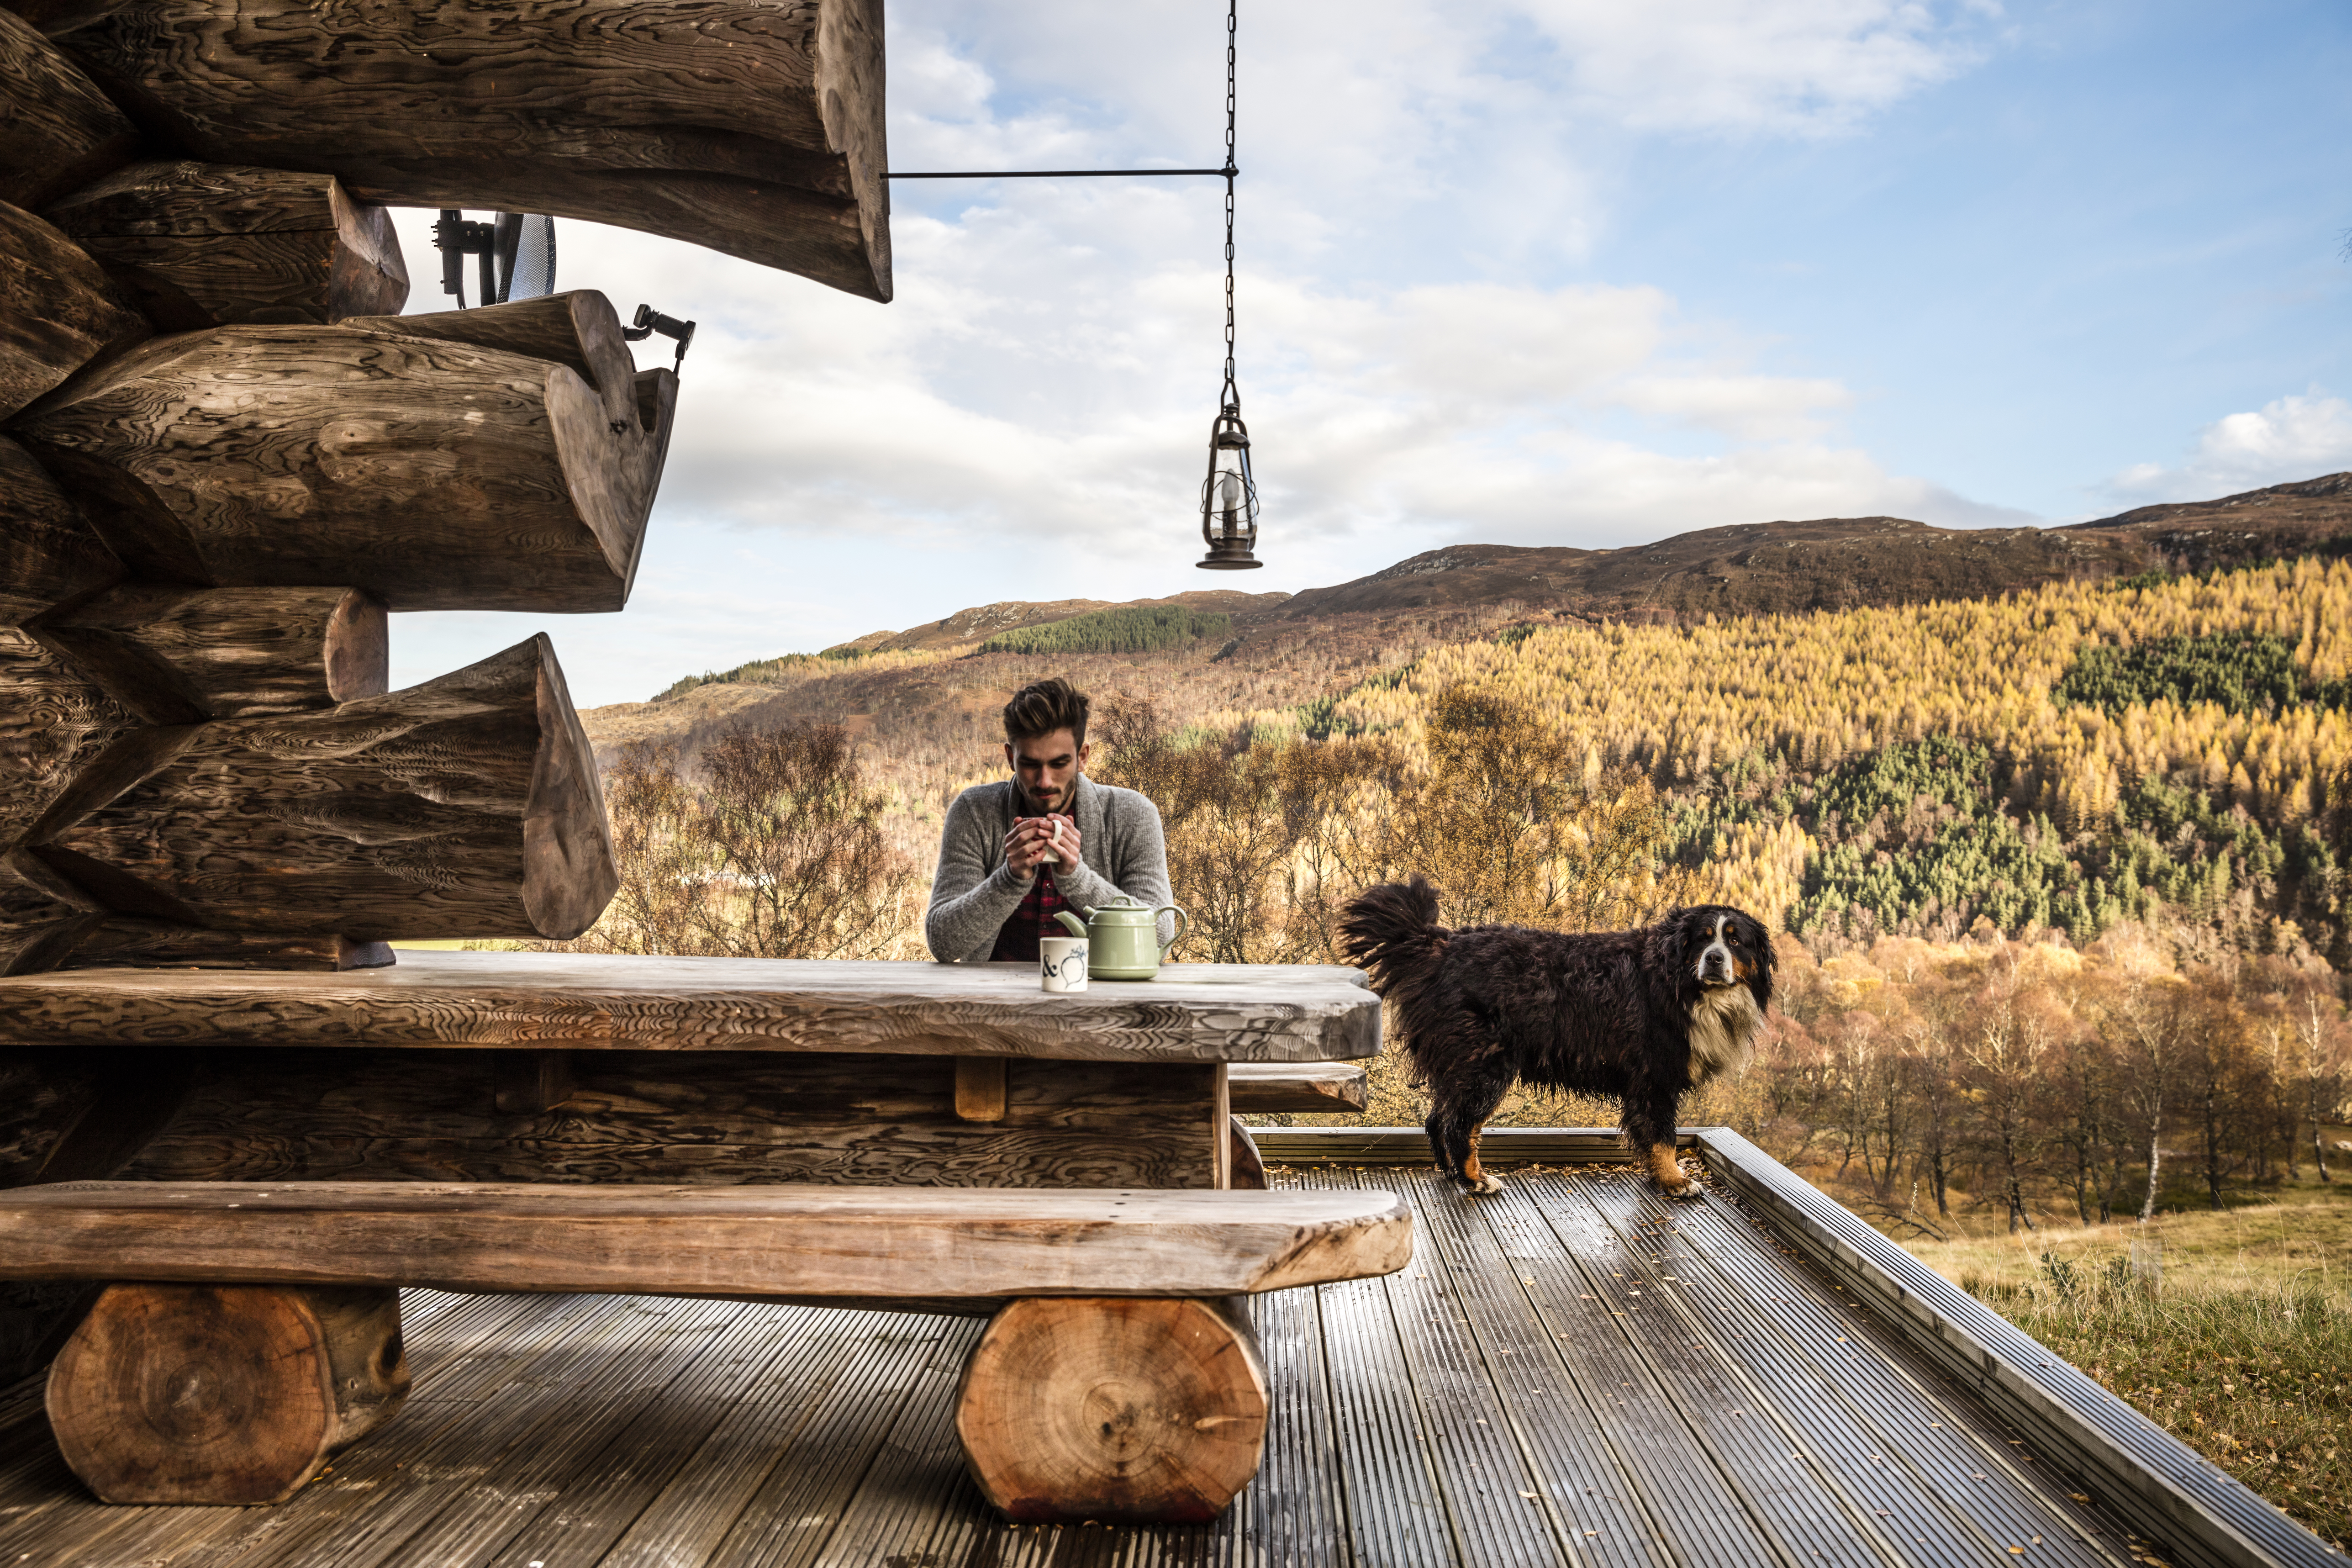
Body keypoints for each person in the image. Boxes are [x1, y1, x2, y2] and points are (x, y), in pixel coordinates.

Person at [925, 677, 1175, 963]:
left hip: (1100, 1002)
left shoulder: (1132, 815)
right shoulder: (974, 812)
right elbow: (943, 942)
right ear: (1010, 757)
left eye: (1059, 764)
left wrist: (1077, 878)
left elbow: (1161, 937)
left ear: (1082, 757)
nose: (1044, 781)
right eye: (1030, 764)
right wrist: (1008, 880)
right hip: (994, 1003)